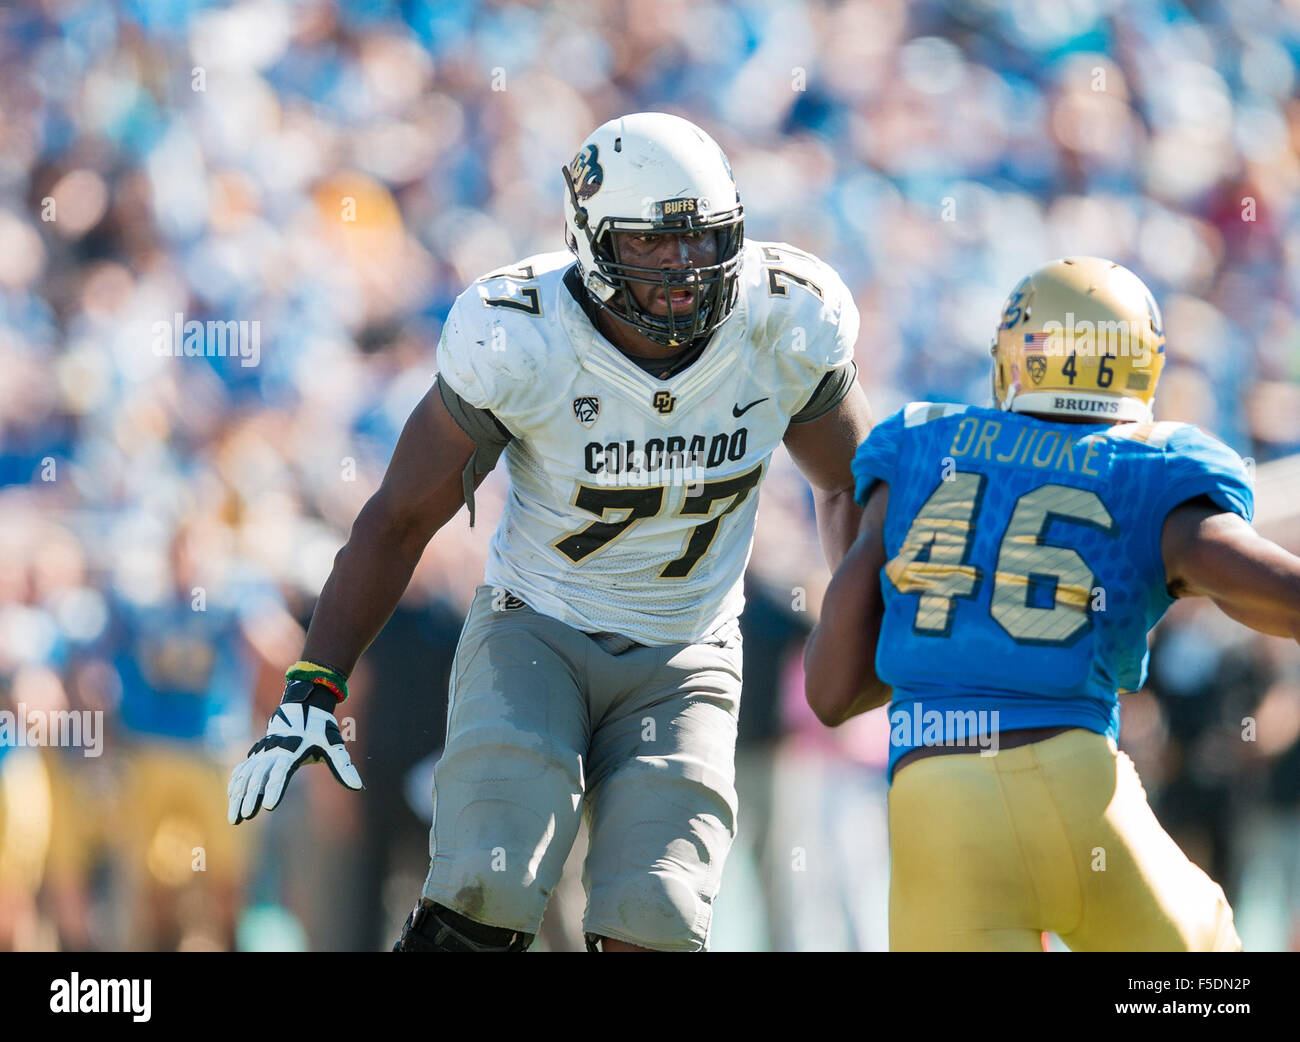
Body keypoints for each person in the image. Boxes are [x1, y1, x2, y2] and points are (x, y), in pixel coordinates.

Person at [227, 112, 873, 952]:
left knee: (659, 917)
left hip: (687, 648)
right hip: (539, 628)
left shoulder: (782, 318)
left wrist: (872, 621)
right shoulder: (520, 333)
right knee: (484, 885)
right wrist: (317, 680)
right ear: (593, 239)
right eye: (655, 244)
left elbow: (850, 486)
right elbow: (400, 518)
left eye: (704, 241)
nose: (686, 268)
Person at [804, 255, 1300, 951]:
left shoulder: (919, 448)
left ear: (1013, 358)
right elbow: (1278, 591)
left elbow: (831, 692)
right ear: (1142, 366)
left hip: (936, 808)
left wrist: (948, 626)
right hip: (1074, 789)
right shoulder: (1149, 470)